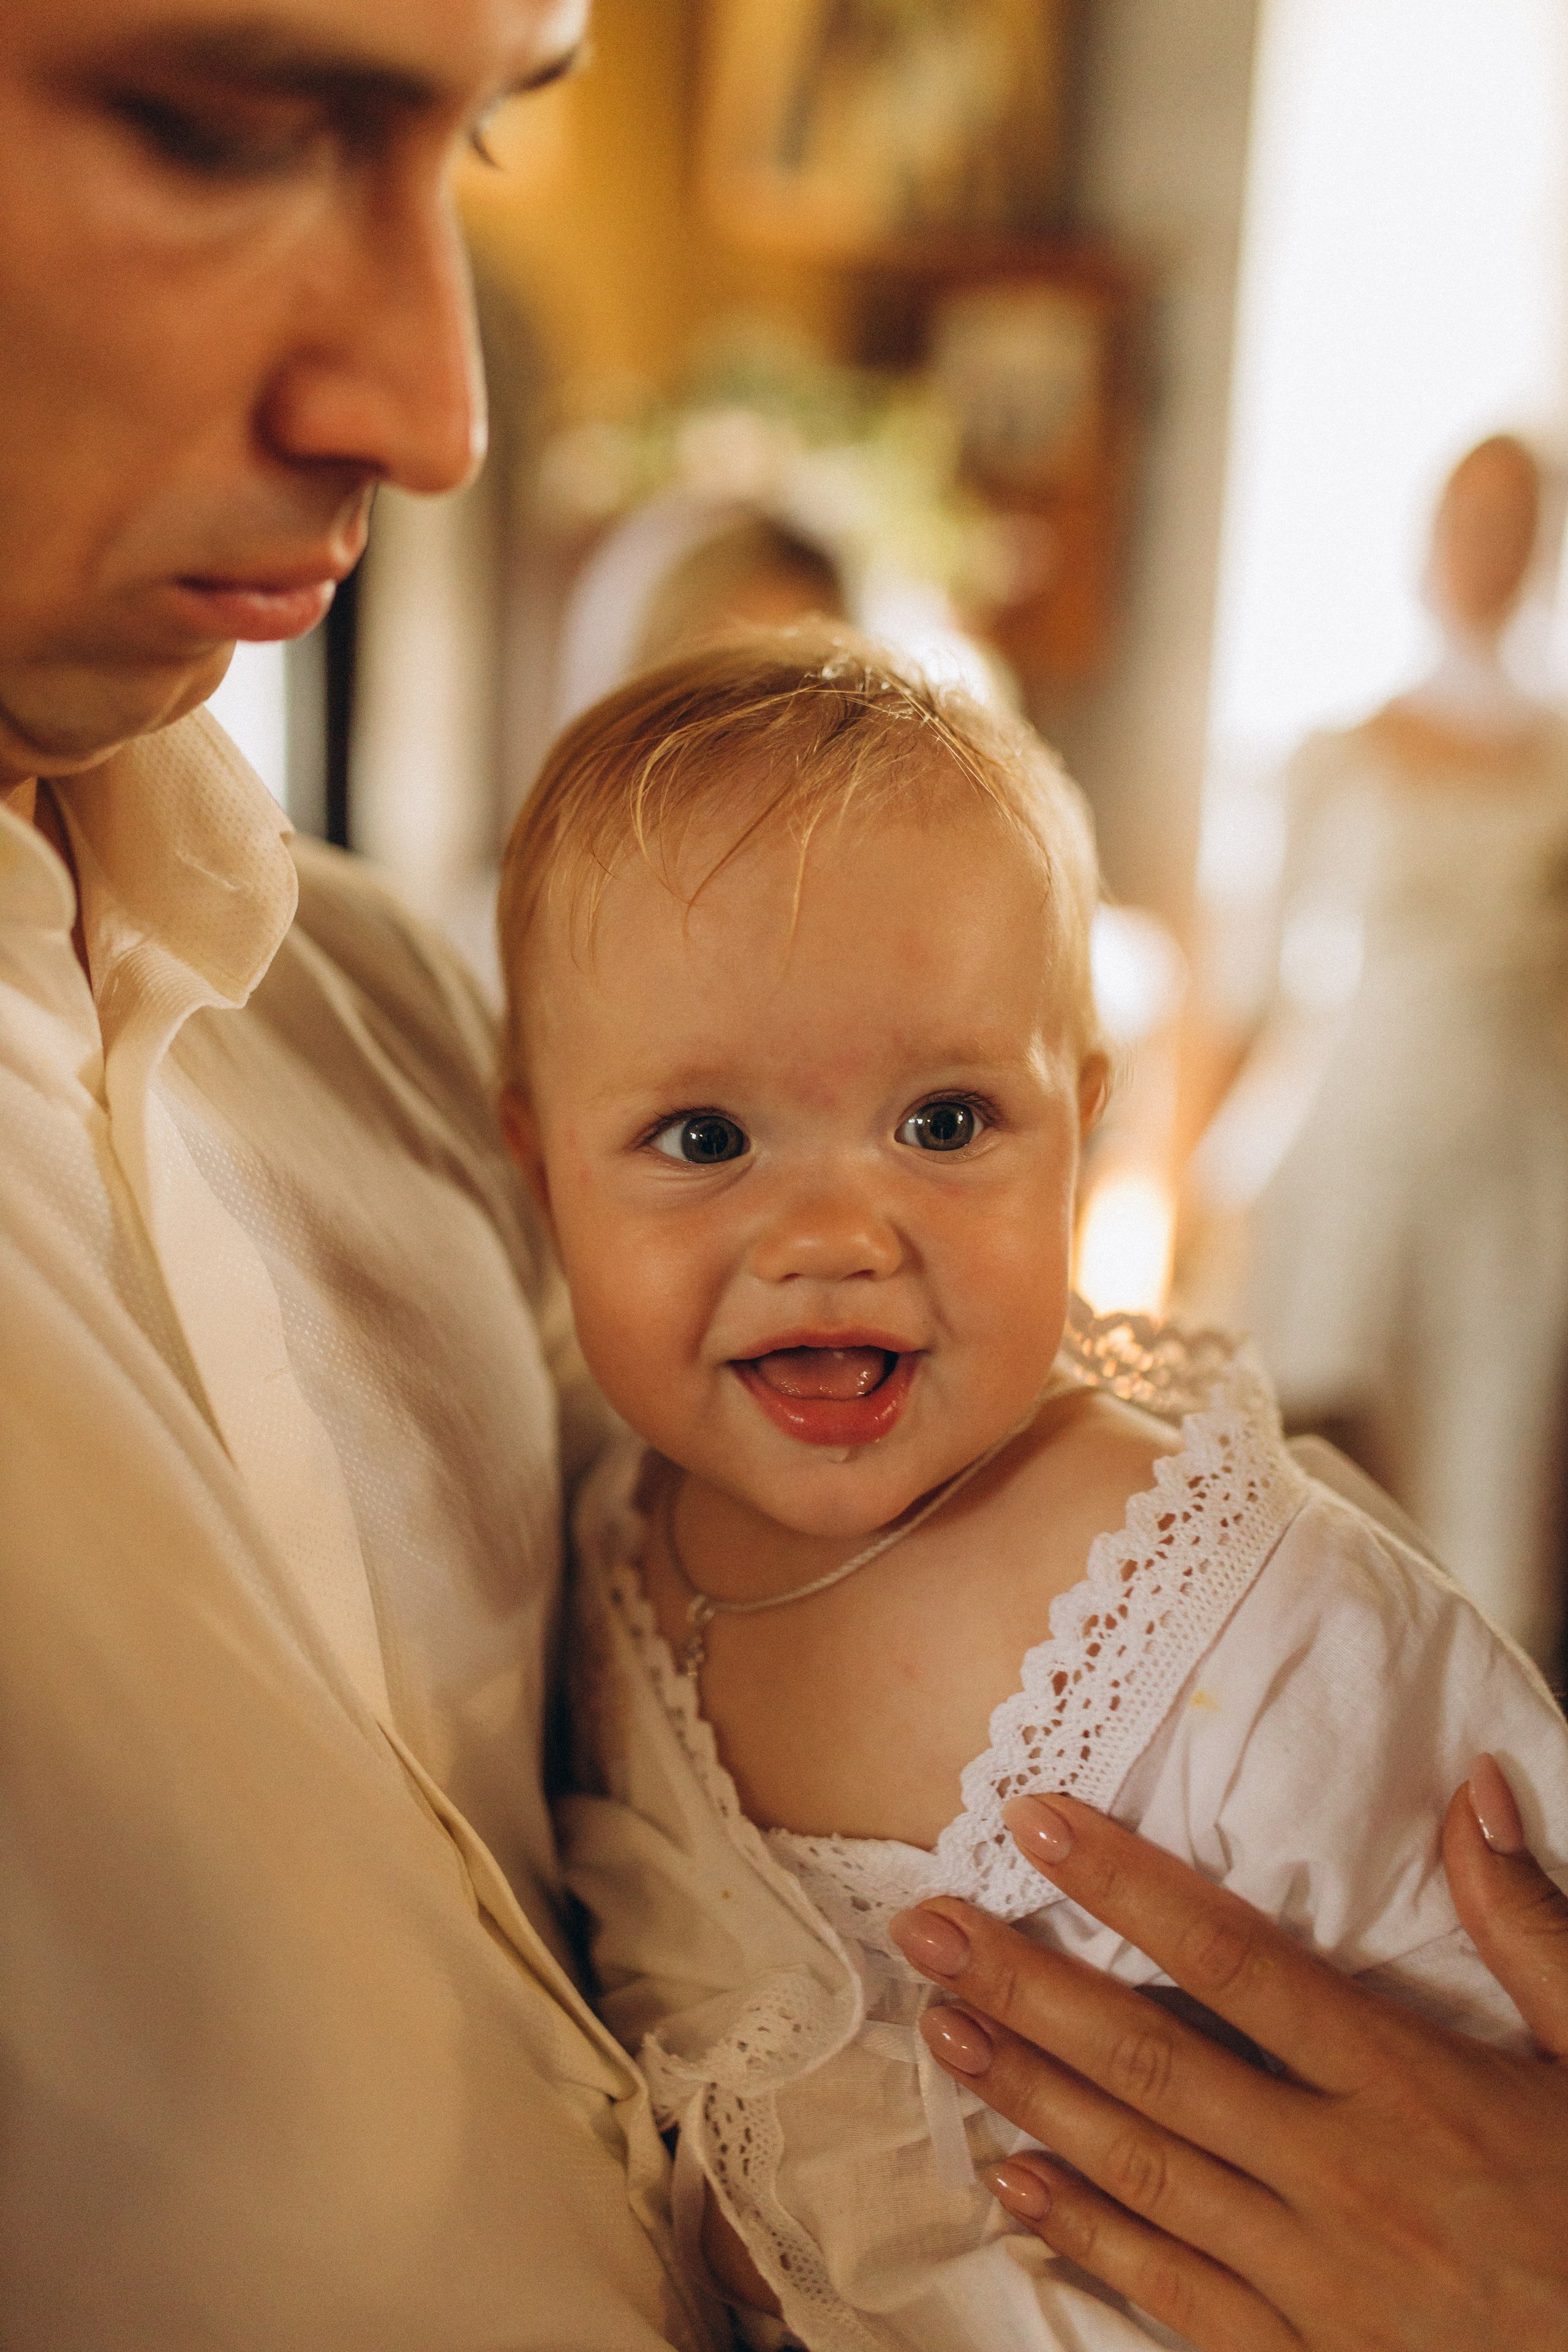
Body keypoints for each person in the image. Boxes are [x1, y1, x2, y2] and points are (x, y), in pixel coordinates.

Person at [3, 2, 1567, 2345]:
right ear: (577, 1150)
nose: (442, 416)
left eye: (482, 155)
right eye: (226, 129)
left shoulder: (373, 1019)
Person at [494, 627, 1568, 2351]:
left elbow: (1517, 1958)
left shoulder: (1242, 1611)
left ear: (1084, 1124)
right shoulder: (602, 1539)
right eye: (705, 1140)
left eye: (944, 1122)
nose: (837, 1237)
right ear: (537, 1165)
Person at [1191, 434, 1568, 1665]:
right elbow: (1254, 988)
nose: (1484, 551)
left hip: (1519, 1169)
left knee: (1491, 1474)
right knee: (1329, 1461)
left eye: (1513, 525)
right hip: (1359, 1149)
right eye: (1465, 520)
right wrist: (1190, 1173)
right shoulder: (1336, 755)